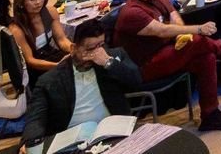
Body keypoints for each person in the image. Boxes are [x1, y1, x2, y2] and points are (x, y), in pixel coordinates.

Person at [116, 0, 221, 131]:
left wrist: (184, 35)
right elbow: (162, 30)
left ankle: (210, 115)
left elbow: (176, 20)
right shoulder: (131, 12)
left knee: (206, 56)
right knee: (196, 41)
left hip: (165, 52)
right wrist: (198, 29)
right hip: (144, 67)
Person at [21, 18, 143, 152]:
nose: (95, 54)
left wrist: (109, 63)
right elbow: (35, 118)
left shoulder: (112, 58)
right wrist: (29, 142)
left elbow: (136, 81)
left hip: (113, 130)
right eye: (89, 49)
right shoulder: (51, 80)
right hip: (75, 139)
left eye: (100, 46)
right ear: (73, 48)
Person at [10, 0, 72, 84]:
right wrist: (57, 66)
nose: (38, 2)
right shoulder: (16, 28)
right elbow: (30, 60)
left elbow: (61, 40)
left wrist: (75, 49)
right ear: (22, 2)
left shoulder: (51, 12)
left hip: (50, 53)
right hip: (36, 66)